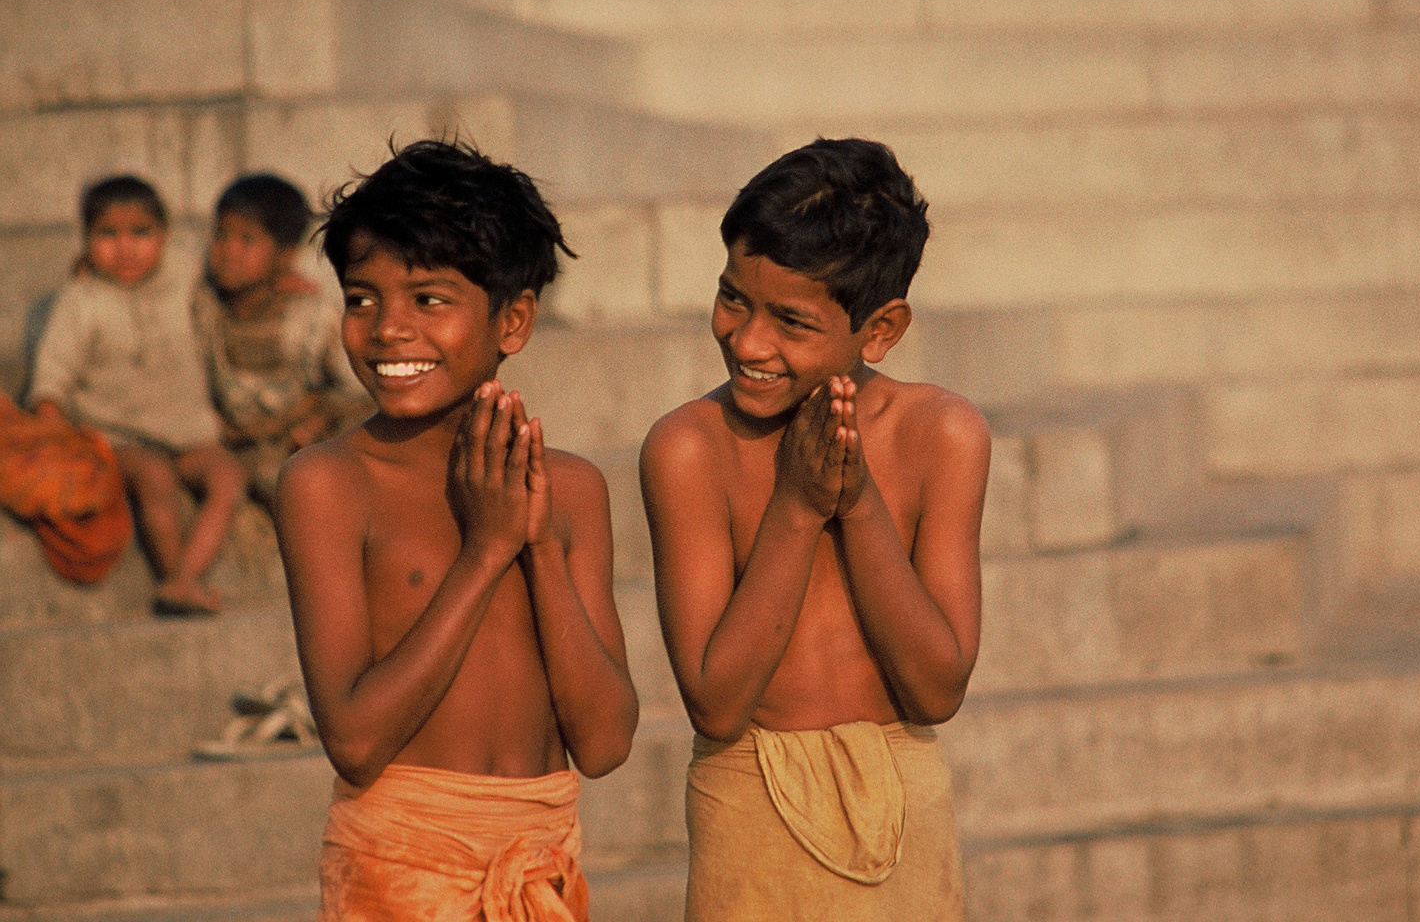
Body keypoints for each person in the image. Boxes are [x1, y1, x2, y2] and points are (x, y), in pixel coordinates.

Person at [274, 140, 638, 922]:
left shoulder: (571, 490)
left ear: (512, 319)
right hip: (401, 868)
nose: (386, 331)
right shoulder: (329, 484)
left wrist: (535, 540)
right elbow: (356, 741)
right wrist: (485, 552)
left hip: (541, 863)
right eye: (362, 298)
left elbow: (605, 743)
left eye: (428, 300)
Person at [640, 138, 991, 921]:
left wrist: (858, 503)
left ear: (881, 330)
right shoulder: (689, 447)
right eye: (734, 298)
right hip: (748, 799)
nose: (748, 341)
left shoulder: (942, 434)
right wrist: (797, 509)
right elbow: (718, 704)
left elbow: (937, 689)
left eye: (790, 321)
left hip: (904, 805)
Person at [29, 175, 245, 615]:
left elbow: (233, 274)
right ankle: (176, 578)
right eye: (107, 235)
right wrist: (50, 421)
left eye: (141, 233)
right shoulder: (81, 299)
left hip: (189, 433)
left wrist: (283, 278)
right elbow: (54, 374)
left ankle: (186, 575)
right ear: (86, 240)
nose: (125, 249)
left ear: (165, 236)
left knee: (229, 478)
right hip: (119, 437)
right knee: (155, 478)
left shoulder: (184, 277)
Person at [195, 173, 370, 504]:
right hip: (243, 451)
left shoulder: (308, 316)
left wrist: (320, 415)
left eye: (247, 240)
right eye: (221, 235)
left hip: (304, 443)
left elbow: (356, 388)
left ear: (285, 256)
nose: (229, 251)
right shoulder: (205, 310)